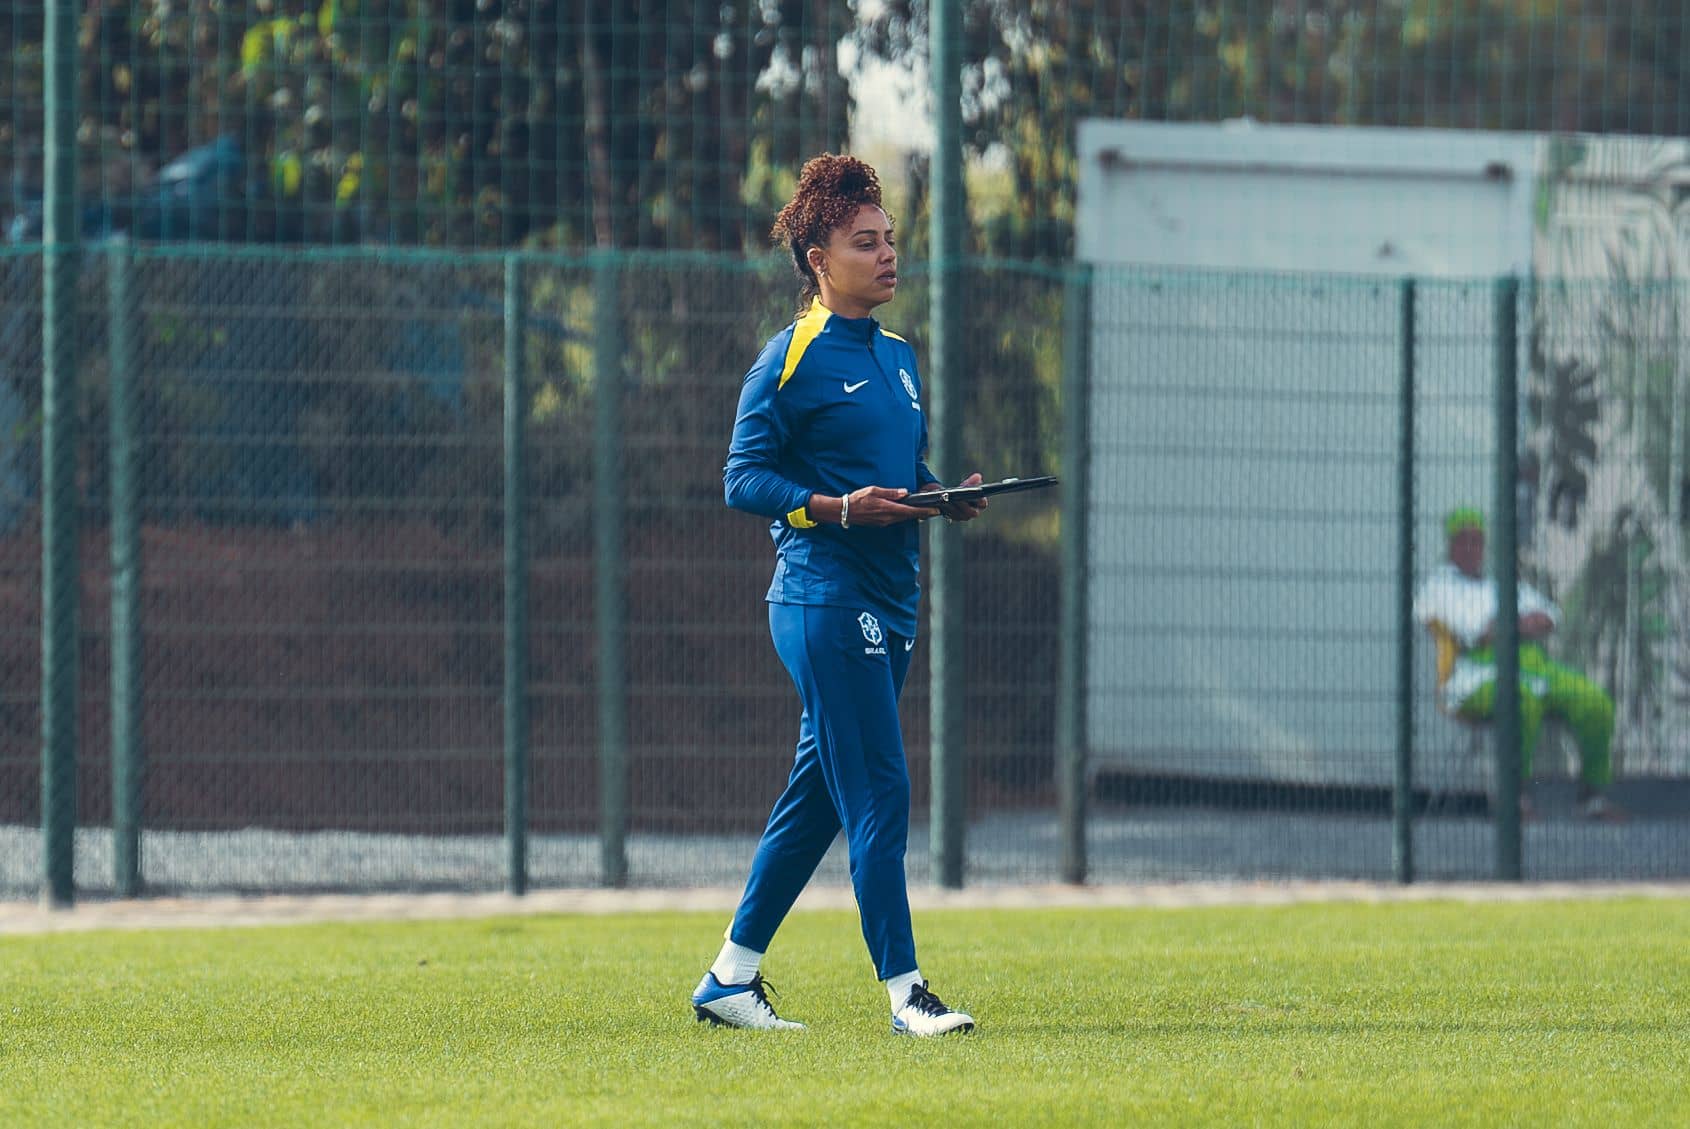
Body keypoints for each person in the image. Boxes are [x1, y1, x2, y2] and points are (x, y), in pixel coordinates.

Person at [690, 153, 986, 1037]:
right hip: (822, 597)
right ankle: (907, 994)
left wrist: (940, 494)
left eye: (890, 238)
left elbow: (896, 471)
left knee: (820, 794)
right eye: (866, 242)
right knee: (881, 787)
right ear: (819, 257)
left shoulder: (898, 357)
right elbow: (743, 478)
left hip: (892, 598)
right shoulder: (790, 358)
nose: (888, 254)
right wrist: (833, 508)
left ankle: (729, 978)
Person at [1414, 507, 1623, 821]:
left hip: (1534, 668)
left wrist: (1508, 625)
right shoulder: (1439, 588)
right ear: (1450, 545)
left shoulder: (1498, 585)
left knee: (1595, 701)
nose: (1471, 548)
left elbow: (1550, 615)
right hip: (1473, 677)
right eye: (1463, 541)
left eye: (1477, 541)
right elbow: (1478, 633)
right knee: (1520, 699)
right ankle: (1514, 796)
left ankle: (1592, 796)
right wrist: (1519, 623)